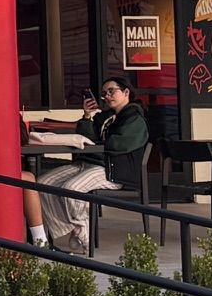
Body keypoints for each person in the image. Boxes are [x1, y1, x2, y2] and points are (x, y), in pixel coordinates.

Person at [25, 76, 150, 252]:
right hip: (89, 162)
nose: (107, 96)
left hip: (112, 170)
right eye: (104, 93)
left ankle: (84, 236)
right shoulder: (105, 117)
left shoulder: (134, 118)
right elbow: (89, 137)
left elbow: (120, 144)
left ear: (126, 92)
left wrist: (99, 141)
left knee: (71, 189)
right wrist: (87, 116)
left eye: (111, 91)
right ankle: (75, 230)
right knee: (42, 184)